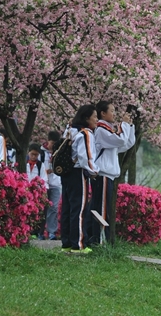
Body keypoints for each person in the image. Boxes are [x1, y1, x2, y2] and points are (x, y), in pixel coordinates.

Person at [87, 101, 135, 246]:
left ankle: (98, 239)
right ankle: (100, 241)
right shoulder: (101, 130)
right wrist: (124, 125)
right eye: (112, 111)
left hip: (107, 176)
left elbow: (126, 144)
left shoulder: (107, 130)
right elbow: (120, 140)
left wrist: (130, 126)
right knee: (102, 209)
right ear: (103, 113)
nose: (114, 114)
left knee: (103, 207)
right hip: (102, 175)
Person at [60, 104, 98, 253]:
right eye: (95, 116)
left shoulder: (70, 130)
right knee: (79, 208)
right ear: (87, 118)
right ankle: (79, 244)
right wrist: (94, 171)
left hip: (66, 173)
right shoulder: (86, 134)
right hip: (78, 173)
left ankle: (67, 243)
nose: (96, 120)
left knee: (67, 208)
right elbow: (85, 157)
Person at [25, 142, 49, 239]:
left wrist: (43, 192)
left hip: (36, 192)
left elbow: (44, 179)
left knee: (37, 213)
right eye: (32, 154)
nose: (34, 157)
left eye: (36, 155)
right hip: (25, 191)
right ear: (28, 153)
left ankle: (36, 232)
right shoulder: (23, 162)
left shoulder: (40, 165)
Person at [44, 130, 63, 240]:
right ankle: (40, 231)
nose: (53, 145)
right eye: (51, 142)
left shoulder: (60, 153)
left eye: (55, 142)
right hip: (44, 184)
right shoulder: (42, 153)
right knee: (42, 208)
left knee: (53, 207)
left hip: (56, 184)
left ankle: (52, 231)